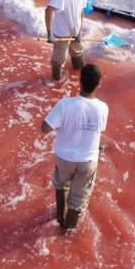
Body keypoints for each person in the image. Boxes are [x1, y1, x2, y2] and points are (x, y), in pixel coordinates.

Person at [40, 63, 109, 232]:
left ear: (80, 82)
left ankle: (59, 218)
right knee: (78, 197)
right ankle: (68, 230)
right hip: (88, 160)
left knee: (61, 185)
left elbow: (45, 128)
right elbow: (99, 131)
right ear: (98, 84)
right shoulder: (103, 108)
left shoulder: (66, 105)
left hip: (65, 157)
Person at [44, 0, 91, 81]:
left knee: (78, 52)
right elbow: (49, 10)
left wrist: (79, 30)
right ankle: (55, 84)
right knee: (58, 61)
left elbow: (80, 11)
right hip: (62, 33)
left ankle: (79, 77)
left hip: (75, 31)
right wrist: (49, 33)